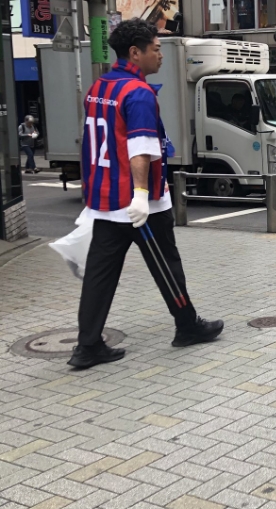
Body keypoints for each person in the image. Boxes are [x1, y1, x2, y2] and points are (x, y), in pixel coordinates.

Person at [69, 19, 223, 369]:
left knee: (99, 275)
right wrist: (141, 195)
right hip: (139, 204)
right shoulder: (137, 92)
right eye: (155, 49)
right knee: (166, 265)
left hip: (105, 201)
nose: (160, 55)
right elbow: (139, 148)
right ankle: (187, 327)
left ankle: (87, 345)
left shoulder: (99, 87)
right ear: (135, 53)